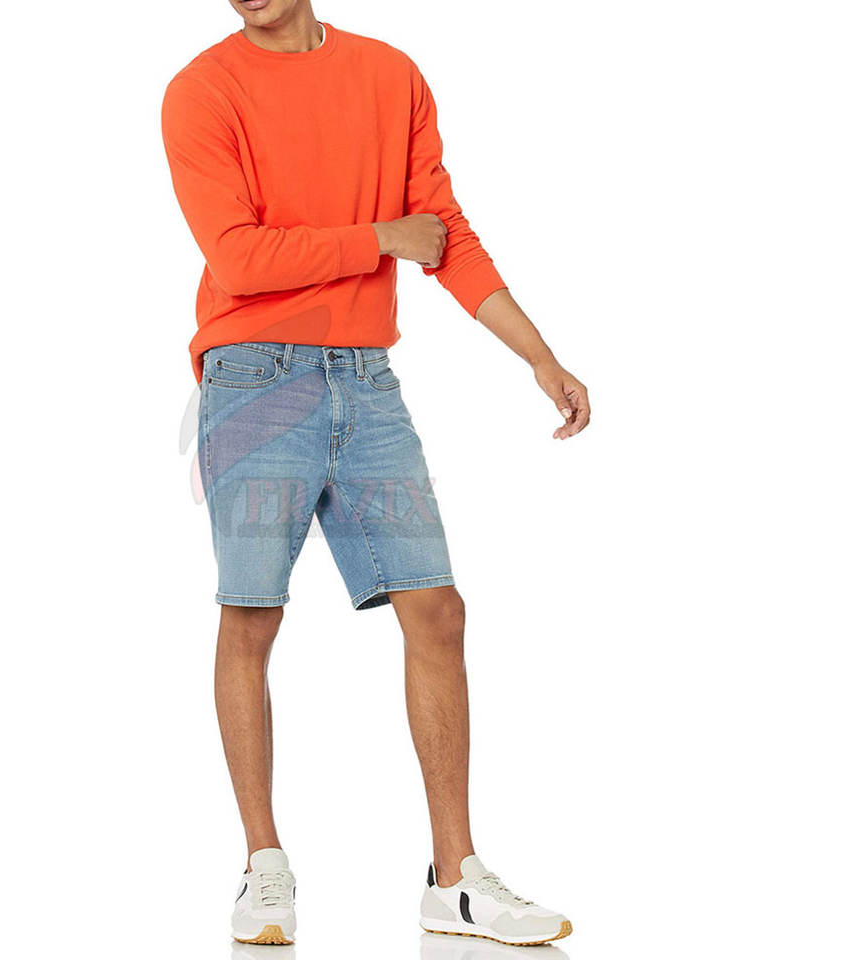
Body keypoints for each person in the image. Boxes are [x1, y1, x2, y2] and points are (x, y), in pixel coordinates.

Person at [161, 0, 588, 947]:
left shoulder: (391, 76)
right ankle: (263, 867)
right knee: (251, 614)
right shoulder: (202, 90)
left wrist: (538, 356)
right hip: (253, 380)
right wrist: (378, 239)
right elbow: (237, 256)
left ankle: (456, 879)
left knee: (437, 609)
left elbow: (444, 233)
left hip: (365, 379)